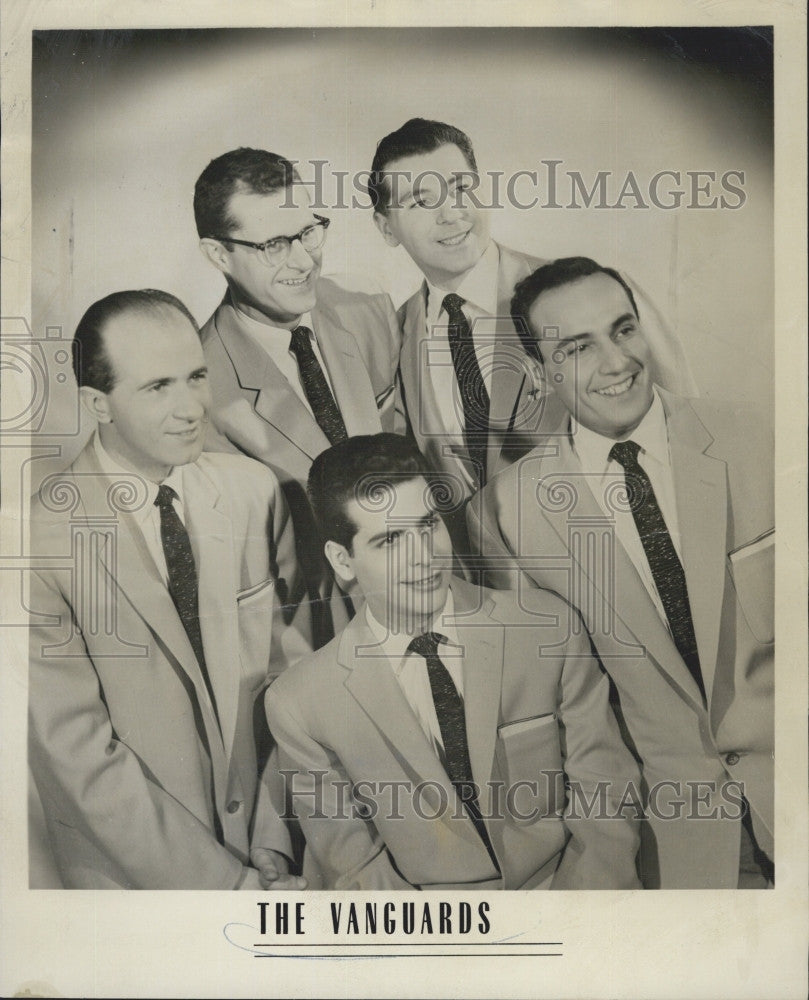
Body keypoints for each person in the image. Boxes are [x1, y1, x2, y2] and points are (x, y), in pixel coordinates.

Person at [467, 257, 774, 888]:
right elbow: (568, 718)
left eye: (623, 330)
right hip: (678, 849)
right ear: (537, 373)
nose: (616, 362)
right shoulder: (510, 512)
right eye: (578, 347)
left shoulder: (761, 437)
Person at [265, 433, 642, 891]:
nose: (424, 558)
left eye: (428, 526)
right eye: (390, 541)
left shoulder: (548, 626)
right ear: (343, 561)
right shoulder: (299, 702)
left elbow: (605, 793)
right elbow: (357, 869)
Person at [28, 289, 310, 889]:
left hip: (277, 858)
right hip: (135, 890)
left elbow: (295, 687)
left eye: (197, 377)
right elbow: (76, 756)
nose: (192, 409)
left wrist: (274, 841)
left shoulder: (254, 491)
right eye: (158, 387)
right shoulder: (35, 541)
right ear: (96, 404)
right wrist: (225, 886)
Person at [368, 118, 694, 553]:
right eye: (419, 201)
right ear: (387, 228)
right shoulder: (395, 335)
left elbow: (689, 438)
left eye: (462, 187)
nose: (452, 213)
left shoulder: (592, 291)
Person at [195, 147, 404, 646]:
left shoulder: (369, 312)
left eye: (309, 231)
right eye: (274, 244)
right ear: (218, 254)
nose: (304, 259)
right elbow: (245, 583)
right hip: (323, 644)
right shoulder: (202, 392)